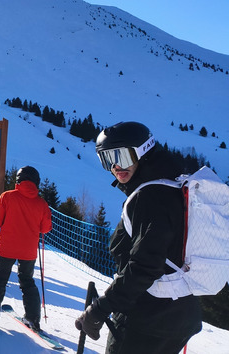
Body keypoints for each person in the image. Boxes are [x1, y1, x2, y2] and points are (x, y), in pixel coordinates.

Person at [75, 122, 202, 353]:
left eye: (121, 156)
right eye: (107, 159)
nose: (115, 166)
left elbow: (145, 265)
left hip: (147, 320)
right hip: (179, 313)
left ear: (143, 151)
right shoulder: (173, 186)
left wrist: (100, 308)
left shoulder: (149, 197)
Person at [0, 166, 51, 336]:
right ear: (36, 182)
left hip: (6, 248)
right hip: (28, 251)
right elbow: (45, 228)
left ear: (18, 180)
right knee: (27, 282)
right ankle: (33, 318)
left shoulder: (7, 197)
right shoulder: (41, 203)